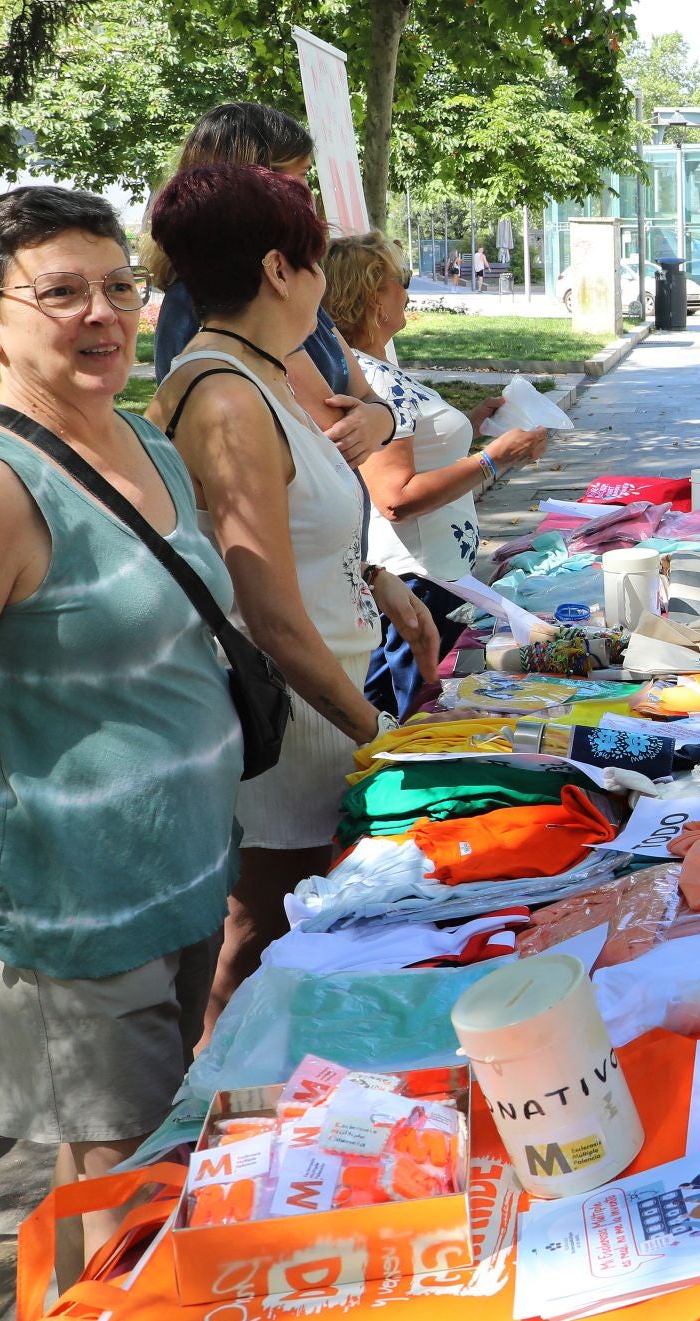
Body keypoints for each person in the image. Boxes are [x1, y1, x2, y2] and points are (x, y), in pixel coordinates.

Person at [0, 186, 244, 1288]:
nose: (102, 314)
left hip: (179, 871)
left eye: (120, 286)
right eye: (61, 292)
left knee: (125, 1165)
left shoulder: (142, 441)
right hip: (70, 906)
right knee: (128, 1196)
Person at [144, 165, 439, 1037]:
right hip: (290, 721)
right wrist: (378, 737)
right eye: (315, 260)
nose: (322, 281)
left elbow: (304, 517)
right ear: (279, 269)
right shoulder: (227, 396)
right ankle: (218, 1113)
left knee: (296, 949)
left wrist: (375, 579)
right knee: (263, 952)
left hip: (321, 699)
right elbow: (269, 614)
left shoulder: (265, 370)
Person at [322, 231, 550, 716]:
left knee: (413, 710)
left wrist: (472, 425)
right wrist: (493, 459)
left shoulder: (374, 368)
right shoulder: (372, 379)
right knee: (415, 717)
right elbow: (395, 496)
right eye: (400, 280)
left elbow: (412, 452)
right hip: (416, 580)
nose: (407, 292)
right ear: (373, 297)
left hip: (432, 576)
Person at [145, 102, 410, 468]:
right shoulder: (229, 303)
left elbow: (367, 398)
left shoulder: (287, 292)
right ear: (257, 183)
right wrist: (379, 419)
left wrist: (381, 419)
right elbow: (331, 425)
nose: (308, 194)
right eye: (301, 175)